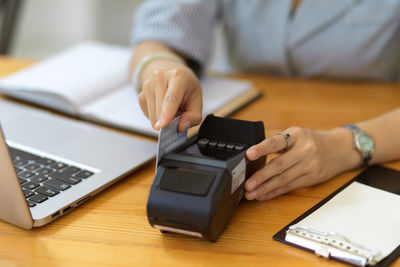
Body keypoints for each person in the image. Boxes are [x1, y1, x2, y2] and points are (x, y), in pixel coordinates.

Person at [129, 0, 400, 201]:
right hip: (234, 141)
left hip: (370, 149)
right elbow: (158, 33)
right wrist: (162, 69)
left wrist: (345, 146)